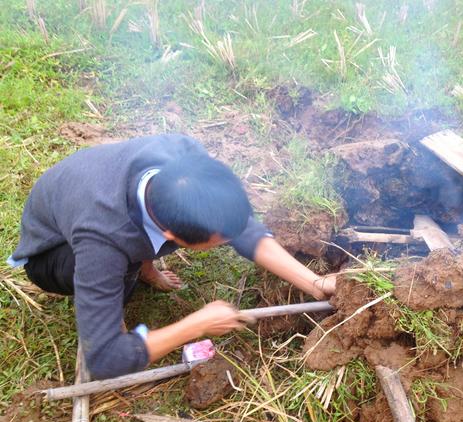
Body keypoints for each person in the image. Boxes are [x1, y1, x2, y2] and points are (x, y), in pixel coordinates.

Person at [7, 134, 336, 379]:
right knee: (119, 281)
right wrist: (197, 324)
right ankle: (128, 283)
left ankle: (142, 266)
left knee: (129, 250)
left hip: (92, 202)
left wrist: (314, 283)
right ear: (171, 236)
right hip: (51, 252)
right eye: (217, 243)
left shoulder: (182, 154)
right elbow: (105, 360)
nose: (228, 243)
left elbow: (243, 229)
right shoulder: (102, 243)